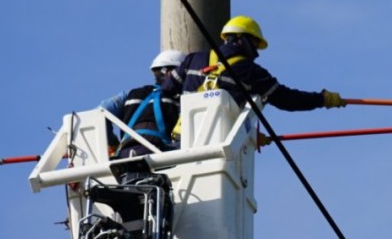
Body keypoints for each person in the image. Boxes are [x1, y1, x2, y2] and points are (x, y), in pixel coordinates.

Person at [161, 15, 346, 140]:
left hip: (181, 141)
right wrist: (322, 99)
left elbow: (166, 92)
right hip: (219, 145)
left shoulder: (194, 59)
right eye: (255, 44)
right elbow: (288, 100)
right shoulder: (252, 72)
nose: (256, 52)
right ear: (241, 39)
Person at [99, 50, 185, 158]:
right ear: (170, 72)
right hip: (158, 154)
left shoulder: (130, 94)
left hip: (125, 153)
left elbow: (102, 109)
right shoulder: (180, 99)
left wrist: (113, 144)